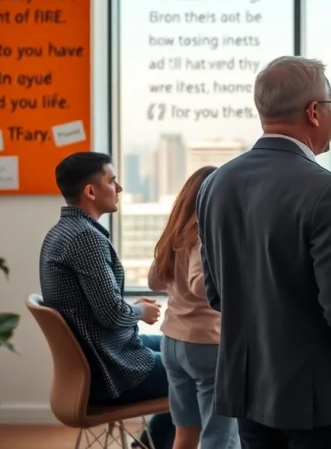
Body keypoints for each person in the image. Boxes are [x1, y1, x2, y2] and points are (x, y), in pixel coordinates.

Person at [196, 56, 331, 449]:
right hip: (321, 398)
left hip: (249, 388)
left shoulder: (215, 184)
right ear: (314, 112)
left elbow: (216, 293)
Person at [39, 151, 174, 449]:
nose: (119, 188)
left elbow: (103, 308)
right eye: (112, 181)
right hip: (113, 369)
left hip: (105, 353)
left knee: (180, 348)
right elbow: (111, 315)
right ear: (90, 191)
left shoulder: (60, 233)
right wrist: (140, 311)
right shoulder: (84, 238)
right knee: (200, 372)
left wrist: (135, 311)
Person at [147, 166, 239, 449]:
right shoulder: (205, 232)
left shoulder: (175, 233)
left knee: (185, 433)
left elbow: (153, 281)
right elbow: (200, 284)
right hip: (207, 344)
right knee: (219, 438)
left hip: (173, 343)